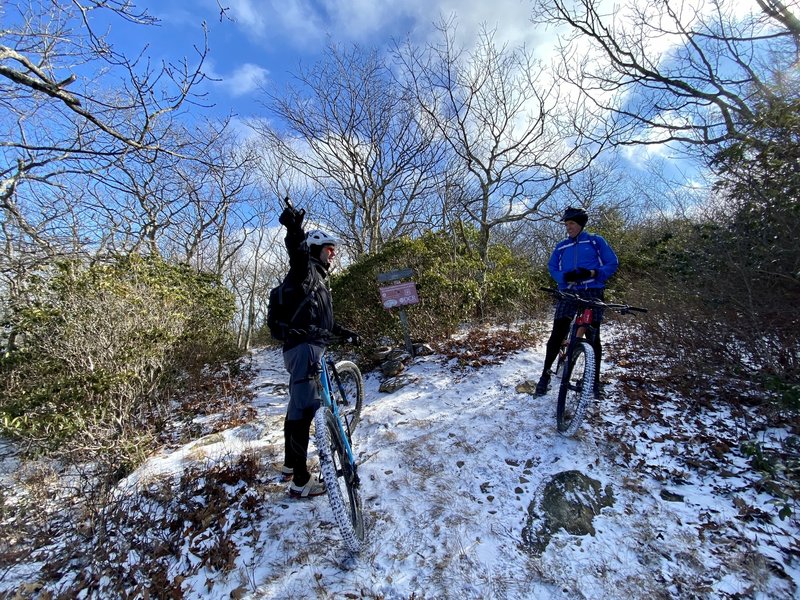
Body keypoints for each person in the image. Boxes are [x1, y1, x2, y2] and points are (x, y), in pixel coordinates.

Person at [277, 202, 360, 498]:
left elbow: (323, 319)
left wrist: (344, 332)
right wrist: (294, 229)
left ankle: (289, 464)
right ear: (315, 250)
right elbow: (296, 253)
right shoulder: (305, 270)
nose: (333, 253)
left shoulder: (317, 281)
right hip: (304, 350)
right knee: (303, 412)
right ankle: (301, 480)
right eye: (328, 248)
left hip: (307, 348)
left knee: (296, 405)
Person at [535, 207, 619, 397]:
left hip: (592, 291)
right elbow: (552, 267)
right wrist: (564, 277)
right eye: (566, 224)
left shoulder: (595, 241)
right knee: (557, 334)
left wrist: (593, 273)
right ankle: (545, 376)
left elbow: (612, 263)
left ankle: (594, 381)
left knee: (593, 337)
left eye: (571, 224)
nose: (568, 228)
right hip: (568, 292)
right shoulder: (562, 246)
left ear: (580, 224)